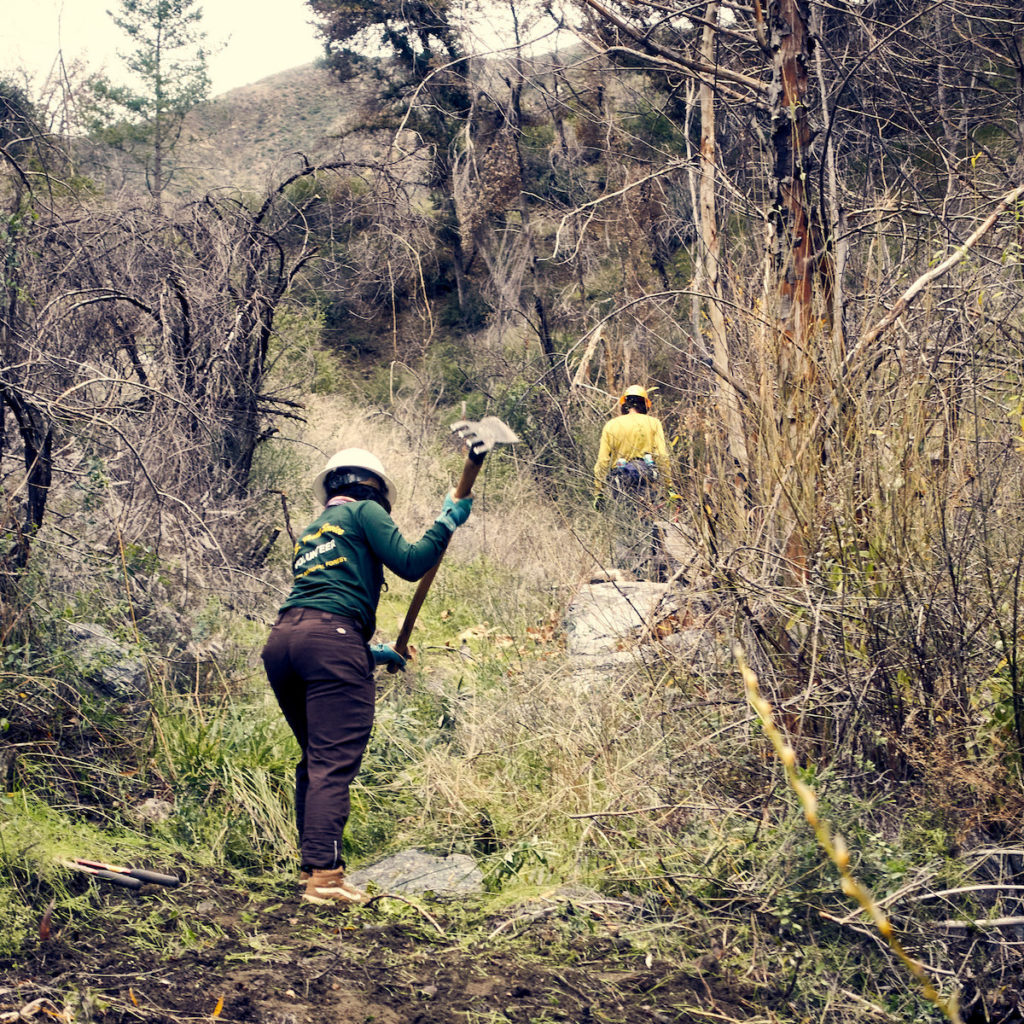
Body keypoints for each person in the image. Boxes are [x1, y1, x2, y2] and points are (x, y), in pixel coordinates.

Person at [261, 447, 472, 905]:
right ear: (373, 488)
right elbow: (413, 563)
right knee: (332, 763)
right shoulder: (366, 510)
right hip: (331, 641)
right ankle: (326, 877)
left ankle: (311, 870)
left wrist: (370, 653)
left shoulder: (316, 528)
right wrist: (447, 522)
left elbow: (321, 600)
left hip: (284, 640)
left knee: (314, 758)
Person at [592, 385, 676, 577]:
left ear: (624, 405)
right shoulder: (653, 423)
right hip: (648, 481)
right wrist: (669, 487)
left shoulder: (611, 426)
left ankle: (626, 570)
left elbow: (603, 461)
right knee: (649, 524)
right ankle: (651, 571)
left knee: (624, 526)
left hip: (620, 483)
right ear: (645, 404)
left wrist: (598, 492)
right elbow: (662, 456)